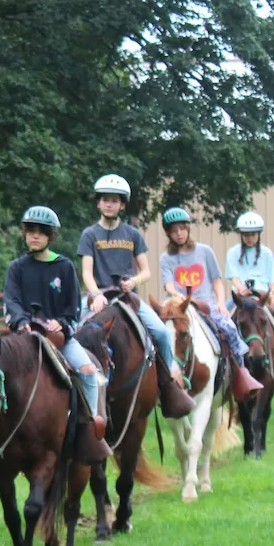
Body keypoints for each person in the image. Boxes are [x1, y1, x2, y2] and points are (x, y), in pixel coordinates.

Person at [75, 173, 194, 415]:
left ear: (122, 205)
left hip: (127, 297)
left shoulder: (132, 234)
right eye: (105, 200)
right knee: (73, 333)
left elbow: (147, 271)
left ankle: (167, 384)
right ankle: (71, 388)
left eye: (115, 200)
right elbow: (86, 272)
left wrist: (135, 281)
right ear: (98, 203)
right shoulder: (89, 234)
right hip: (98, 297)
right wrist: (96, 294)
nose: (109, 204)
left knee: (160, 331)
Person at [3, 206, 105, 417]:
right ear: (24, 234)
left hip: (59, 338)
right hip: (23, 338)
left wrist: (62, 322)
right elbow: (11, 301)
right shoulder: (16, 268)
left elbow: (73, 307)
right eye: (31, 231)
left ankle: (90, 424)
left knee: (87, 371)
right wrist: (21, 322)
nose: (35, 236)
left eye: (41, 231)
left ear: (51, 236)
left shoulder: (64, 266)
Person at [157, 208, 263, 400]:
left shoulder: (204, 251)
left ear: (188, 229)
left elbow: (216, 281)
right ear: (168, 233)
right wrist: (181, 298)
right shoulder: (166, 258)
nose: (179, 233)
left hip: (206, 304)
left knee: (230, 329)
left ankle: (241, 374)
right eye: (174, 230)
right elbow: (169, 286)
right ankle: (157, 378)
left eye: (182, 228)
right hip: (179, 305)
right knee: (157, 331)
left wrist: (221, 303)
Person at [223, 210, 274, 375]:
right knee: (222, 321)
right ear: (241, 235)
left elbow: (273, 278)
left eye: (253, 234)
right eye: (246, 234)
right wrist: (240, 289)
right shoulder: (232, 253)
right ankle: (223, 360)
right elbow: (233, 277)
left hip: (262, 295)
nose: (249, 238)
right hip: (241, 296)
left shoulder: (266, 253)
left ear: (258, 234)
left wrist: (272, 295)